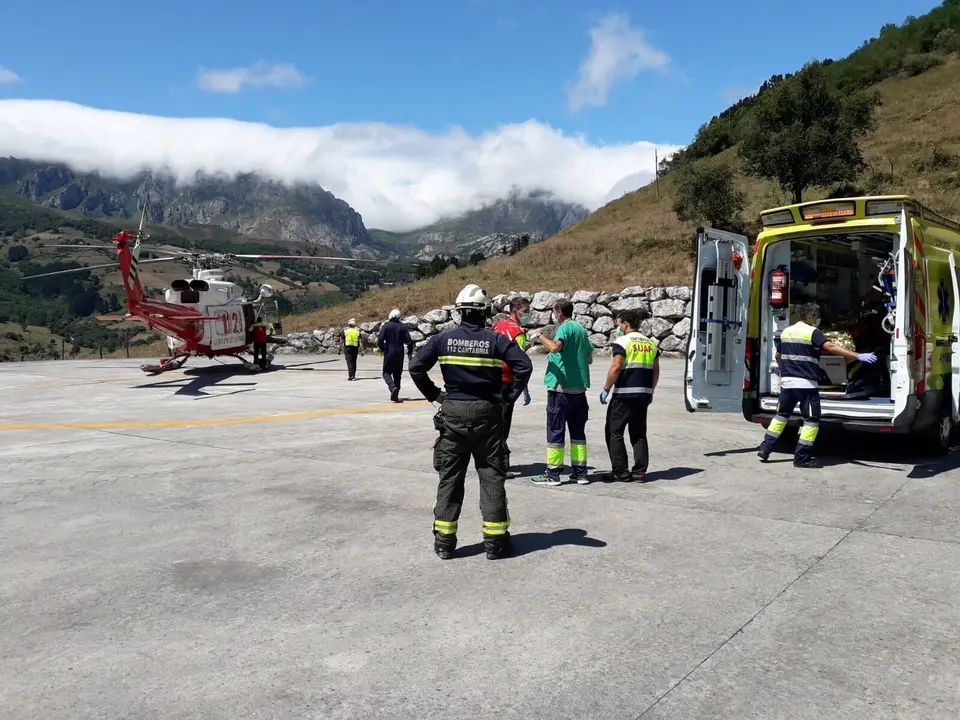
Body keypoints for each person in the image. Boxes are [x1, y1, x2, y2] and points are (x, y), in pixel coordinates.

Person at [409, 284, 533, 561]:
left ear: (459, 312)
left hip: (453, 413)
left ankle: (444, 543)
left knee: (450, 478)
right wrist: (507, 397)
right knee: (491, 477)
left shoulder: (442, 340)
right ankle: (495, 543)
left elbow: (416, 367)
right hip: (488, 413)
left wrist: (435, 395)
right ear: (485, 312)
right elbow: (524, 365)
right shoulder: (496, 340)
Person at [759, 302, 878, 467]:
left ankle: (765, 448)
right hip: (806, 385)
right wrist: (857, 356)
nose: (817, 319)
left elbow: (778, 356)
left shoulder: (787, 331)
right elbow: (830, 347)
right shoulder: (812, 332)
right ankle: (801, 458)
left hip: (787, 384)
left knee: (781, 416)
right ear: (810, 317)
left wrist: (785, 371)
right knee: (811, 421)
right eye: (816, 316)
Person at [532, 298, 593, 486]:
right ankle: (581, 473)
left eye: (553, 310)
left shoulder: (564, 328)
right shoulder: (580, 329)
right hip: (579, 390)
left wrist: (539, 336)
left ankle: (553, 473)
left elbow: (555, 347)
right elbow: (589, 358)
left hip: (561, 389)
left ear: (559, 312)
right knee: (578, 433)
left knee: (556, 432)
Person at [598, 309, 660, 483]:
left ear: (625, 324)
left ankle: (621, 471)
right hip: (643, 394)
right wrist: (650, 390)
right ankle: (639, 472)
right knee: (638, 433)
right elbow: (656, 370)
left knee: (614, 431)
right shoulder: (650, 343)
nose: (618, 328)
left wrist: (606, 388)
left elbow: (616, 367)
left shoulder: (622, 342)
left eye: (618, 324)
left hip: (624, 395)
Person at [493, 295, 533, 477]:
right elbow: (521, 364)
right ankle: (501, 464)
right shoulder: (517, 333)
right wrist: (524, 389)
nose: (528, 315)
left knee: (493, 422)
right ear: (515, 311)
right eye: (526, 311)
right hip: (506, 381)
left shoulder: (499, 326)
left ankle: (491, 459)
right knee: (503, 424)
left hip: (492, 379)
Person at [378, 309, 414, 402]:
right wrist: (409, 353)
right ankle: (396, 393)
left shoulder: (386, 325)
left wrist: (382, 348)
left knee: (386, 373)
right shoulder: (403, 327)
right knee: (397, 374)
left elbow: (380, 339)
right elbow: (409, 342)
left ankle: (392, 387)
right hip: (400, 353)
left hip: (389, 351)